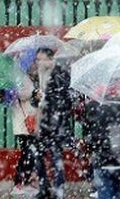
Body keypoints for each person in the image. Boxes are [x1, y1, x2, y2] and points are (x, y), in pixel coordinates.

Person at [86, 84, 120, 199]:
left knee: (105, 193)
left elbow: (91, 135)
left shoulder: (94, 105)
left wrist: (93, 150)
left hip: (103, 160)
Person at [34, 48, 74, 199]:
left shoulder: (60, 74)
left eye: (41, 59)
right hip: (42, 124)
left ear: (49, 59)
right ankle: (44, 188)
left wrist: (47, 98)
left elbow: (66, 101)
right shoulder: (39, 75)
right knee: (38, 158)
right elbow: (35, 101)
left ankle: (59, 190)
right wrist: (36, 97)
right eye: (37, 59)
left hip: (56, 125)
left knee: (56, 158)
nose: (38, 62)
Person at [10, 72, 40, 195]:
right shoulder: (18, 79)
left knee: (29, 154)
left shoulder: (29, 78)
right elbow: (20, 95)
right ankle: (19, 182)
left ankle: (26, 181)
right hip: (22, 124)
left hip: (30, 122)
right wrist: (34, 92)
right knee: (26, 155)